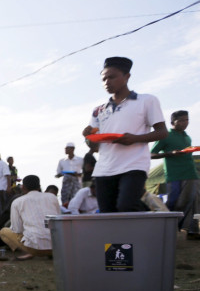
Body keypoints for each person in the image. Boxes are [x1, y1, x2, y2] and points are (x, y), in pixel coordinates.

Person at [82, 56, 167, 213]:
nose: (107, 82)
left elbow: (162, 132)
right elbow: (94, 146)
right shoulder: (98, 110)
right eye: (104, 79)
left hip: (133, 165)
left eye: (112, 77)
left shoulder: (146, 100)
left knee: (126, 206)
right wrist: (88, 137)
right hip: (104, 168)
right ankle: (119, 238)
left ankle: (155, 215)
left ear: (127, 76)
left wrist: (135, 138)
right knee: (108, 213)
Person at [151, 110, 200, 239]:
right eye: (182, 120)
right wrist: (170, 154)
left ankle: (192, 231)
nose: (186, 123)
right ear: (173, 122)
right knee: (175, 202)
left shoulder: (186, 136)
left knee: (193, 201)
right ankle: (165, 229)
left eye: (187, 120)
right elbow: (151, 154)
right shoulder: (166, 136)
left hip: (191, 173)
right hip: (174, 175)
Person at [0, 175, 61, 260]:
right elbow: (58, 221)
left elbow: (17, 230)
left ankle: (28, 253)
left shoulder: (17, 202)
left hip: (34, 248)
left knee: (3, 231)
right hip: (56, 247)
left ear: (23, 187)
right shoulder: (52, 197)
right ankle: (48, 252)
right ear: (39, 187)